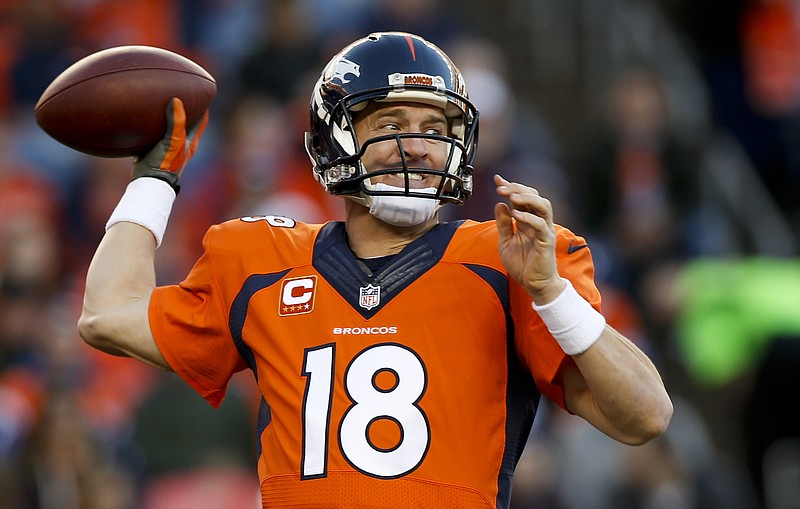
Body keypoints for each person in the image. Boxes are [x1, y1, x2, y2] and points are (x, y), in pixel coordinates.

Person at [77, 32, 672, 508]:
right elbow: (108, 314)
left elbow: (645, 415)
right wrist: (155, 181)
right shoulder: (259, 260)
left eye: (436, 130)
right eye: (389, 126)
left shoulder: (510, 260)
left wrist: (550, 292)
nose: (417, 146)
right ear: (333, 139)